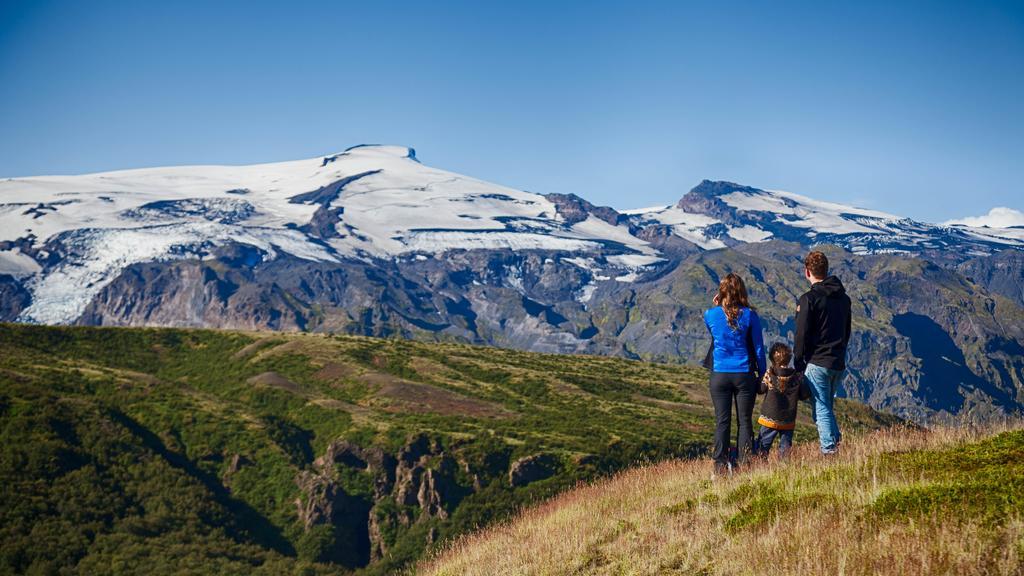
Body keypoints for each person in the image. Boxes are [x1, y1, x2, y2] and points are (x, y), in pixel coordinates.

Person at [704, 273, 766, 475]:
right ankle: (745, 464)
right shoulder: (750, 315)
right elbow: (758, 348)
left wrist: (716, 304)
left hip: (720, 374)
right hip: (743, 374)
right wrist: (762, 375)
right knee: (744, 421)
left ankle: (720, 466)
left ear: (720, 293)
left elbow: (714, 332)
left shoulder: (710, 314)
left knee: (722, 421)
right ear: (742, 292)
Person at [793, 251, 852, 455]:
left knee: (821, 408)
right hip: (838, 360)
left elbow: (801, 333)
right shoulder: (844, 299)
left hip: (817, 361)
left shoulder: (809, 299)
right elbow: (847, 331)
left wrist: (798, 362)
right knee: (827, 406)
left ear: (807, 271)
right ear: (826, 270)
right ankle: (836, 445)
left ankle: (829, 451)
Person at [755, 342, 810, 459]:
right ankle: (784, 467)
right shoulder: (797, 376)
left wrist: (758, 379)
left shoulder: (770, 374)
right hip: (788, 419)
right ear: (789, 359)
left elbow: (760, 389)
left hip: (770, 417)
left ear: (772, 359)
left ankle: (759, 465)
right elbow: (804, 395)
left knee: (763, 445)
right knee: (785, 447)